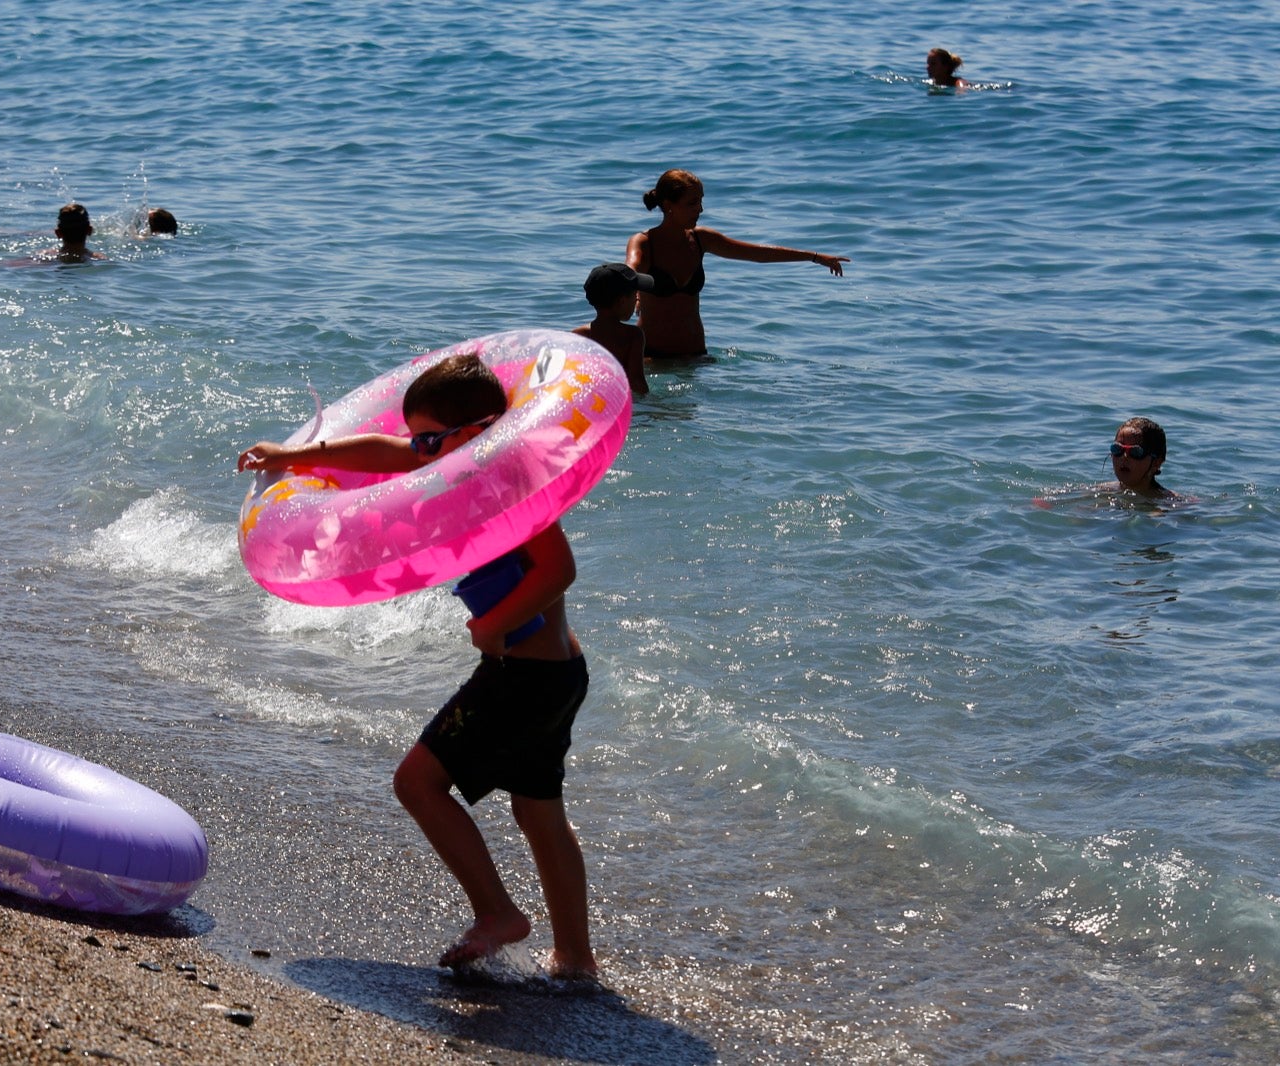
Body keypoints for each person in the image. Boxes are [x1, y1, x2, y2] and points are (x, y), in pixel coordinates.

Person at [236, 353, 599, 980]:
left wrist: (492, 625)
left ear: (480, 430)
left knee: (417, 784)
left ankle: (498, 914)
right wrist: (293, 457)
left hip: (522, 677)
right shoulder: (452, 461)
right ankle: (575, 958)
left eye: (430, 440)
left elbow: (558, 569)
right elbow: (383, 450)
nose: (421, 453)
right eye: (420, 441)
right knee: (537, 809)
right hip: (557, 674)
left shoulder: (507, 478)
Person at [625, 169, 849, 360]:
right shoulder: (644, 242)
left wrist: (814, 257)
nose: (700, 209)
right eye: (692, 203)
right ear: (668, 205)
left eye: (701, 201)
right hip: (652, 359)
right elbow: (628, 271)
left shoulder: (701, 239)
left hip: (696, 357)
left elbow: (757, 254)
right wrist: (633, 291)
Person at [574, 262, 653, 396]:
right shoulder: (632, 335)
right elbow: (637, 383)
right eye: (635, 295)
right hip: (619, 397)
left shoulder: (579, 335)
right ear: (622, 301)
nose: (637, 299)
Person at [1105, 417, 1175, 498]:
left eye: (1135, 452)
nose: (1124, 457)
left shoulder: (1172, 502)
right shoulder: (1101, 492)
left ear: (1156, 463)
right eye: (1117, 449)